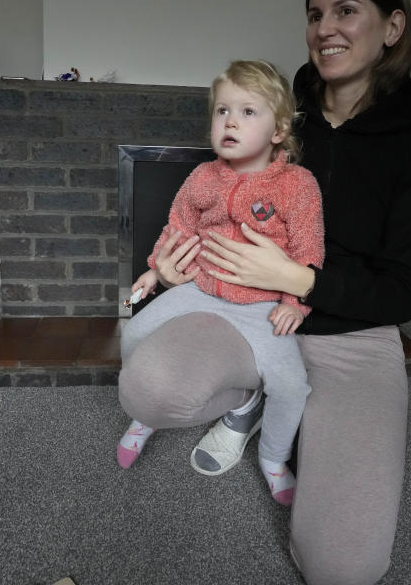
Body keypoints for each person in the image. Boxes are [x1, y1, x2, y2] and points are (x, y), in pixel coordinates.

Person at [117, 0, 411, 585]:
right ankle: (248, 394)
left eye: (347, 11)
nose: (326, 28)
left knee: (343, 568)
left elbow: (404, 293)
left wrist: (301, 282)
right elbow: (197, 208)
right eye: (315, 14)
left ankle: (270, 408)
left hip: (353, 335)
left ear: (393, 27)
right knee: (149, 388)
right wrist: (167, 268)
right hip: (240, 310)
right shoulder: (272, 114)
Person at [116, 59, 324, 506]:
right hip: (201, 288)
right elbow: (179, 227)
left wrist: (294, 303)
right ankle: (144, 414)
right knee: (133, 332)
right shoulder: (202, 177)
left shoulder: (298, 185)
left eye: (248, 112)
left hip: (260, 306)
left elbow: (309, 251)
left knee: (291, 385)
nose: (230, 121)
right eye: (222, 111)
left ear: (278, 130)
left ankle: (273, 457)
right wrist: (156, 269)